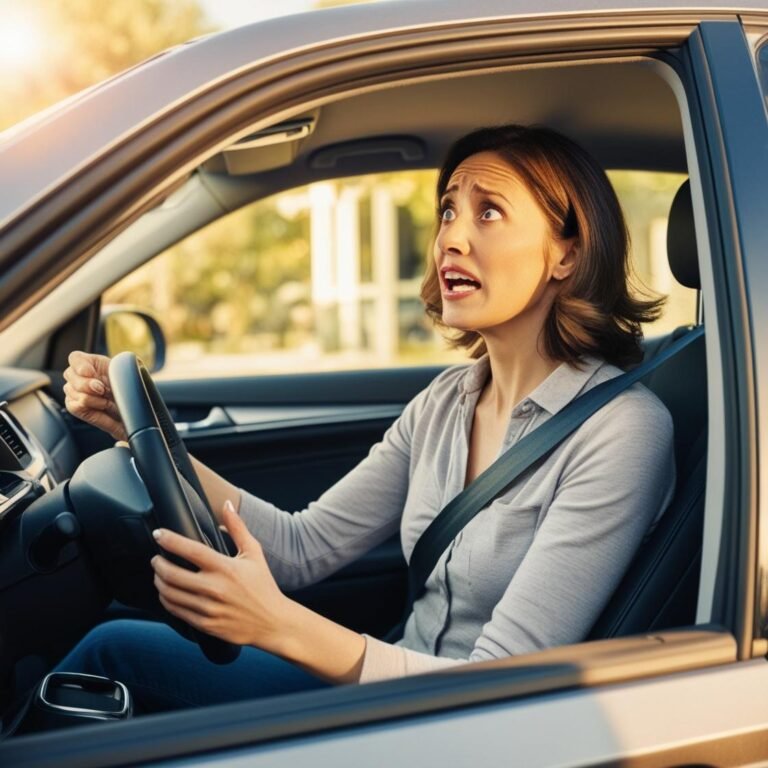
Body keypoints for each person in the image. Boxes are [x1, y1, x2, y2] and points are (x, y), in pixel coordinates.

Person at [57, 124, 676, 712]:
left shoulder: (620, 431)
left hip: (465, 729)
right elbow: (302, 547)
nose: (450, 239)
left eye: (488, 212)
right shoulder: (444, 402)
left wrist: (276, 625)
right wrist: (144, 437)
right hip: (391, 686)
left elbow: (502, 685)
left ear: (565, 254)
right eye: (448, 212)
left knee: (110, 661)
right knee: (107, 651)